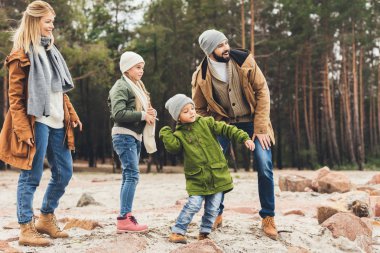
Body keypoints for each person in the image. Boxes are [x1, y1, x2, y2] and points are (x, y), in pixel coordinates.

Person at [0, 1, 82, 247]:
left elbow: (59, 91)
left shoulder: (51, 51)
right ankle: (26, 227)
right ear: (35, 22)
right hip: (37, 122)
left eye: (52, 21)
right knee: (31, 175)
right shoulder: (20, 55)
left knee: (64, 172)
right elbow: (15, 99)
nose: (52, 26)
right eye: (48, 21)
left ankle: (46, 217)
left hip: (58, 119)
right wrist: (23, 129)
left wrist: (72, 112)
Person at [191, 29, 277, 239]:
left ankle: (268, 218)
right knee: (215, 166)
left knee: (264, 165)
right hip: (223, 124)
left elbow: (262, 92)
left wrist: (261, 127)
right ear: (210, 51)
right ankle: (215, 214)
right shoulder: (200, 75)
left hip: (254, 122)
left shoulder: (245, 61)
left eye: (226, 42)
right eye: (220, 46)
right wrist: (209, 132)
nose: (226, 47)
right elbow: (199, 108)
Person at [159, 94, 255, 244]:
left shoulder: (207, 122)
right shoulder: (179, 134)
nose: (191, 112)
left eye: (192, 108)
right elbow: (172, 147)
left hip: (217, 175)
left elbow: (226, 129)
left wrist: (244, 137)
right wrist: (164, 132)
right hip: (197, 178)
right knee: (193, 205)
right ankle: (177, 231)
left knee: (213, 208)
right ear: (178, 117)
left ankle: (204, 232)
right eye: (185, 111)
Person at [108, 51, 157, 233]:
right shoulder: (121, 87)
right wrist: (143, 114)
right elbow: (118, 114)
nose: (141, 71)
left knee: (128, 175)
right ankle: (125, 218)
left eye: (142, 67)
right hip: (124, 135)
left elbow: (136, 111)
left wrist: (149, 114)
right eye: (138, 67)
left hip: (133, 135)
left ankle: (124, 216)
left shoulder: (137, 86)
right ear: (127, 68)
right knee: (132, 175)